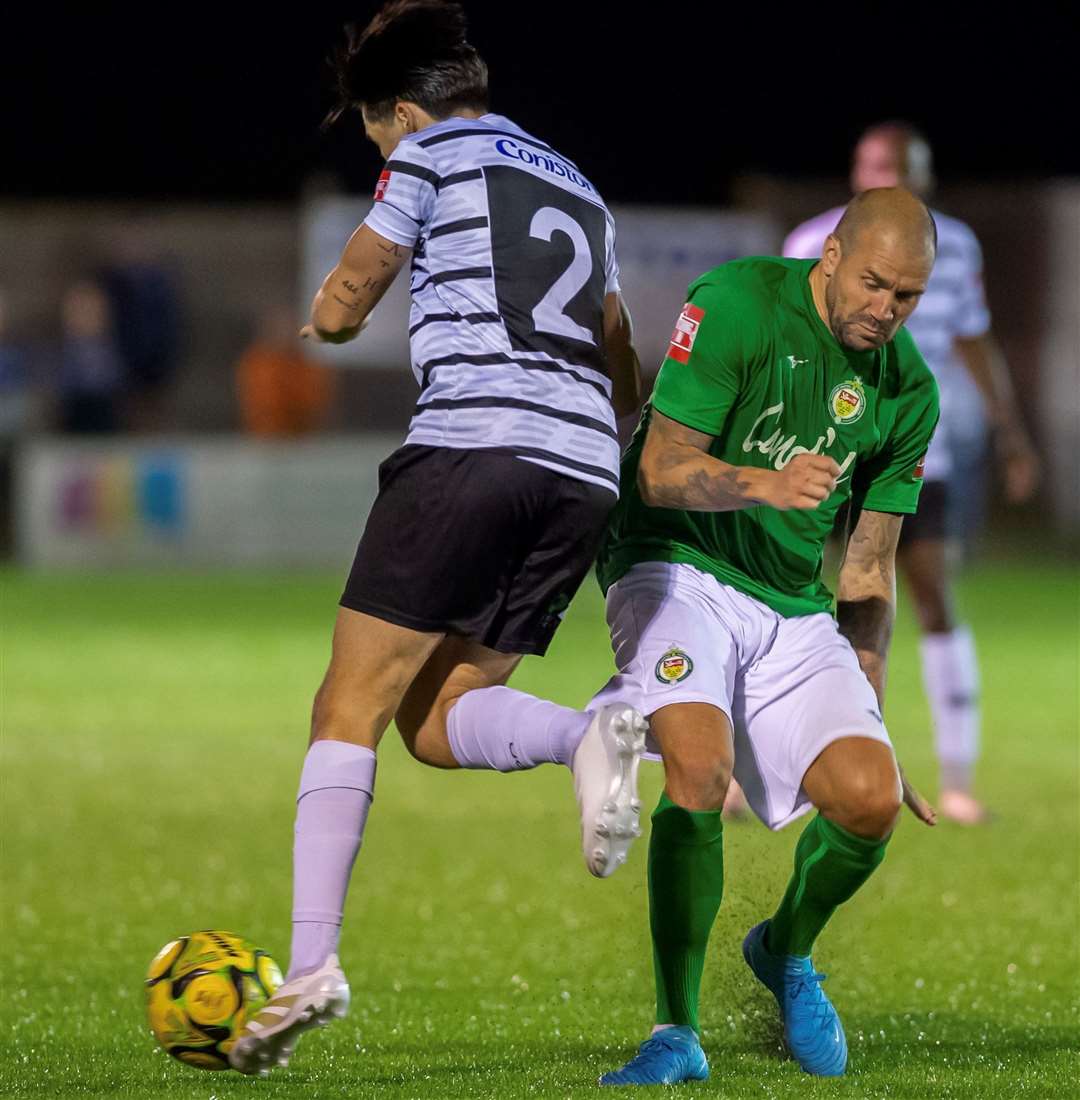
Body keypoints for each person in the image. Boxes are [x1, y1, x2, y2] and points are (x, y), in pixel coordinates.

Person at [229, 0, 646, 1076]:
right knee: (437, 715)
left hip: (471, 447)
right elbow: (617, 344)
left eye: (377, 133)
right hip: (580, 469)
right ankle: (587, 731)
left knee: (348, 704)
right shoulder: (578, 184)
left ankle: (312, 964)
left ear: (405, 111)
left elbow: (349, 295)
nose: (382, 149)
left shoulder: (427, 155)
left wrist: (328, 314)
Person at [577, 188, 940, 1085]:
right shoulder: (739, 301)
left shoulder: (908, 392)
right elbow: (659, 471)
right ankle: (676, 1030)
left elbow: (867, 569)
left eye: (907, 296)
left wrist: (873, 709)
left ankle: (784, 949)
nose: (885, 310)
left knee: (870, 799)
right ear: (829, 258)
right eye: (873, 283)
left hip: (789, 601)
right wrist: (761, 484)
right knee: (698, 772)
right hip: (672, 562)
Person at [779, 122, 1040, 825]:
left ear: (924, 178)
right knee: (778, 594)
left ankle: (955, 776)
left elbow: (973, 336)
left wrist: (1011, 432)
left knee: (926, 597)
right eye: (874, 167)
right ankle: (759, 769)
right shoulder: (811, 242)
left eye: (901, 170)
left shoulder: (955, 246)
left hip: (919, 452)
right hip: (819, 449)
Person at [235, 304, 336, 436]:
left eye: (290, 326)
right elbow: (260, 405)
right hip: (265, 439)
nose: (285, 332)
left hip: (304, 439)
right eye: (279, 327)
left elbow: (317, 403)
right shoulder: (258, 363)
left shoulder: (309, 363)